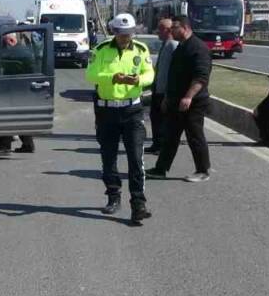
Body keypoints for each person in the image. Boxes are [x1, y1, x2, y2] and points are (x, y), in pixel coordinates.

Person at [85, 13, 154, 223]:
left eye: (129, 34)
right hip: (107, 112)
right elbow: (91, 75)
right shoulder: (101, 50)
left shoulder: (141, 50)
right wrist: (112, 77)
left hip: (132, 111)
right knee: (109, 157)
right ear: (114, 32)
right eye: (121, 34)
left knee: (135, 158)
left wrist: (138, 80)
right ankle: (113, 196)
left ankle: (138, 204)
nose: (125, 37)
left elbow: (150, 73)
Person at [146, 13, 212, 183]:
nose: (171, 30)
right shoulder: (181, 47)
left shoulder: (198, 48)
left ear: (185, 28)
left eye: (175, 27)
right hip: (175, 100)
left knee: (195, 136)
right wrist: (168, 97)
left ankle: (202, 170)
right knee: (170, 136)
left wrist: (188, 97)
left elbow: (201, 77)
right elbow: (173, 76)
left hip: (193, 102)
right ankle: (161, 169)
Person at [0, 31, 39, 154]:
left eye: (5, 41)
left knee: (7, 117)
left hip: (14, 90)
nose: (4, 45)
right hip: (23, 90)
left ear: (11, 41)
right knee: (19, 117)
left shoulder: (11, 53)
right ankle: (27, 144)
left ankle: (5, 145)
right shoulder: (25, 51)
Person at [145, 16, 177, 155]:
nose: (157, 32)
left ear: (168, 30)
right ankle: (156, 143)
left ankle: (162, 146)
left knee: (163, 120)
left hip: (165, 91)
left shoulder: (173, 45)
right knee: (155, 117)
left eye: (160, 29)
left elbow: (174, 71)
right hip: (157, 89)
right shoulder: (164, 44)